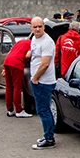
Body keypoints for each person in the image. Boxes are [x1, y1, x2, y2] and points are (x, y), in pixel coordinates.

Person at [30, 17, 56, 149]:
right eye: (35, 27)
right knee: (44, 109)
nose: (37, 29)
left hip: (43, 82)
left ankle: (49, 138)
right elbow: (34, 53)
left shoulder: (47, 42)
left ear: (44, 26)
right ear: (31, 28)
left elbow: (45, 63)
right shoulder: (35, 39)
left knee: (43, 110)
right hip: (38, 80)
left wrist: (35, 78)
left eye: (40, 26)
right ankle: (48, 135)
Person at [3, 37, 31, 118]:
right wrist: (26, 61)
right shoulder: (32, 43)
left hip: (7, 62)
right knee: (17, 87)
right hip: (17, 64)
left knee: (9, 87)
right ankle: (19, 110)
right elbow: (28, 55)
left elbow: (10, 52)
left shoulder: (19, 42)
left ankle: (10, 110)